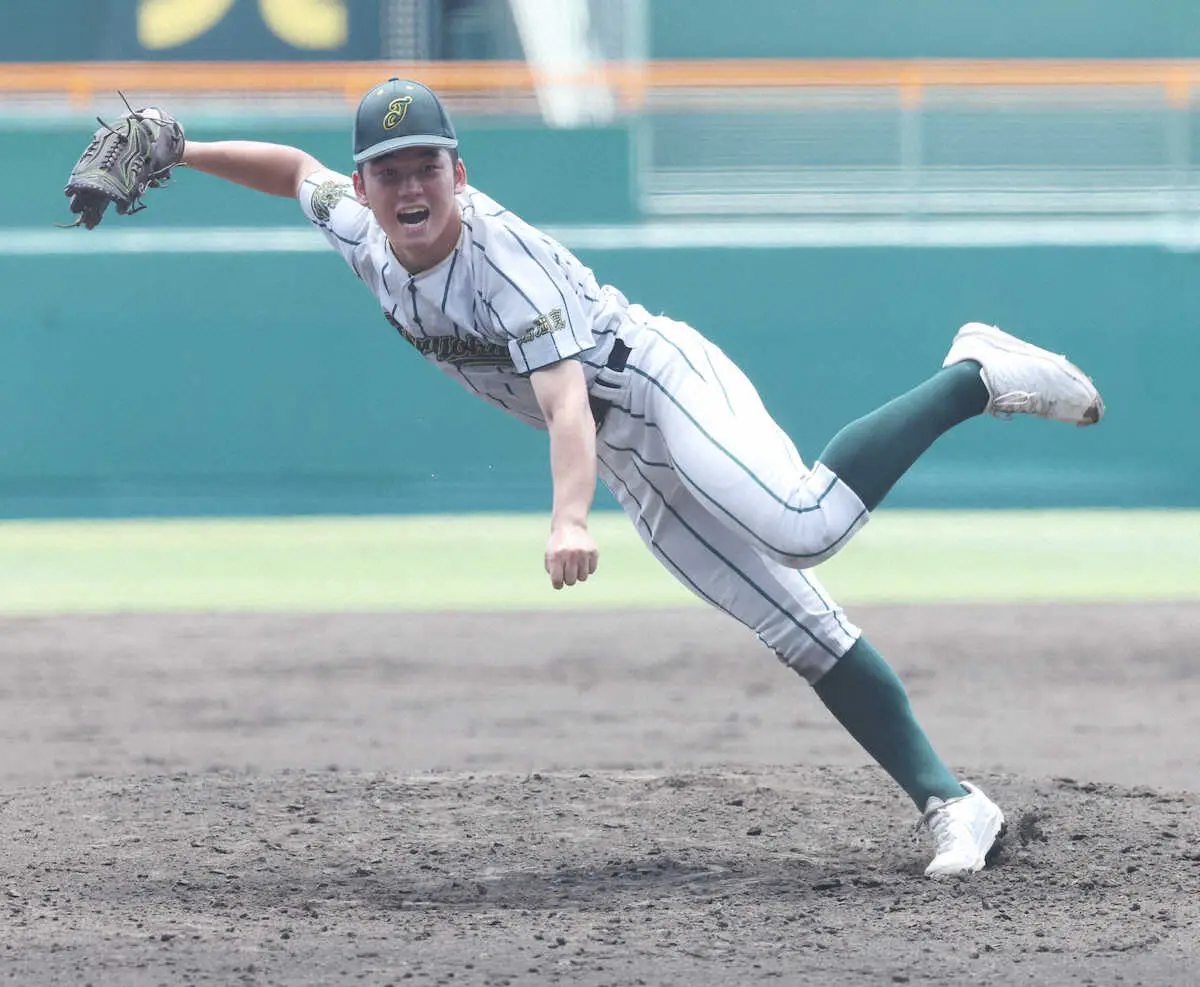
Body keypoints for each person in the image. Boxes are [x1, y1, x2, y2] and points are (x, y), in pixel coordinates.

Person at [178, 78, 1104, 878]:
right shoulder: (363, 230)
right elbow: (296, 171)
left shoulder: (503, 267)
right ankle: (952, 801)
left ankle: (974, 376)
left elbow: (568, 403)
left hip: (656, 383)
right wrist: (182, 147)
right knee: (798, 626)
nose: (410, 184)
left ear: (460, 173)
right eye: (390, 169)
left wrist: (569, 518)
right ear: (369, 186)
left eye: (429, 165)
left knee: (803, 522)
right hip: (629, 448)